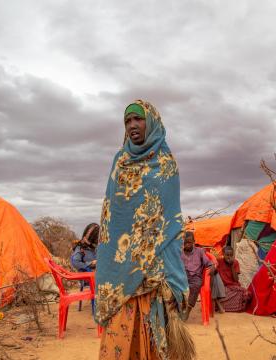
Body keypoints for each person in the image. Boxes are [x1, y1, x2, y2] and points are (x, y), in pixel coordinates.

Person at [95, 100, 193, 360]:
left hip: (152, 276)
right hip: (118, 276)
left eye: (137, 119)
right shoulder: (120, 162)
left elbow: (170, 226)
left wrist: (171, 278)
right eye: (127, 121)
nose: (132, 126)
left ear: (150, 122)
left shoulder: (166, 165)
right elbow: (109, 220)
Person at [181, 231, 217, 319]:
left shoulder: (200, 251)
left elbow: (208, 263)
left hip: (195, 277)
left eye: (189, 242)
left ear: (194, 241)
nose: (187, 244)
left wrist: (212, 266)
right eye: (185, 242)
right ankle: (180, 306)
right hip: (183, 276)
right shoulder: (180, 252)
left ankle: (188, 310)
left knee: (196, 285)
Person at [216, 246, 251, 312]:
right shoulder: (219, 261)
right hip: (224, 287)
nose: (229, 257)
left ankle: (225, 306)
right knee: (222, 295)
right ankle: (223, 305)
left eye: (231, 255)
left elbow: (236, 279)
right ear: (223, 254)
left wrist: (232, 266)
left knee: (246, 294)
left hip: (234, 286)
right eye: (227, 255)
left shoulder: (235, 263)